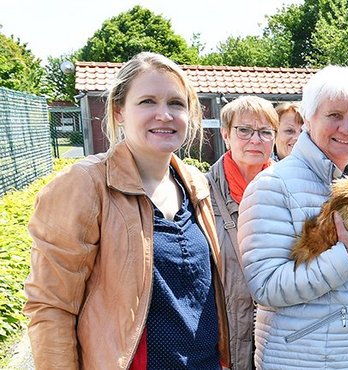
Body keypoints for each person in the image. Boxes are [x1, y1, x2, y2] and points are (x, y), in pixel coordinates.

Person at [24, 52, 230, 368]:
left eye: (176, 103)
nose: (164, 114)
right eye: (148, 101)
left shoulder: (195, 185)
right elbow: (51, 306)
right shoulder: (85, 185)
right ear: (119, 111)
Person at [237, 66, 348, 369]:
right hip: (311, 360)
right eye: (335, 115)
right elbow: (266, 286)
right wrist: (346, 255)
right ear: (308, 119)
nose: (347, 129)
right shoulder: (272, 186)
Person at [206, 95, 279, 370]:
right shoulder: (200, 194)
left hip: (277, 335)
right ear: (226, 135)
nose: (255, 140)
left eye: (264, 132)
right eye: (244, 130)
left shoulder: (288, 191)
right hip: (219, 339)